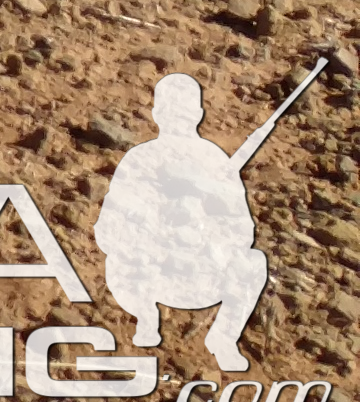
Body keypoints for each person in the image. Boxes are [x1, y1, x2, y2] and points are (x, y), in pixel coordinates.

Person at [94, 72, 268, 372]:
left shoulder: (215, 160)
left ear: (199, 114)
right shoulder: (141, 158)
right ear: (157, 114)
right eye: (171, 111)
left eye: (185, 112)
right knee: (129, 257)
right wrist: (156, 221)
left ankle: (224, 338)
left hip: (201, 268)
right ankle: (146, 321)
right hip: (150, 267)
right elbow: (110, 224)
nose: (178, 119)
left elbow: (243, 230)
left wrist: (209, 217)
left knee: (253, 263)